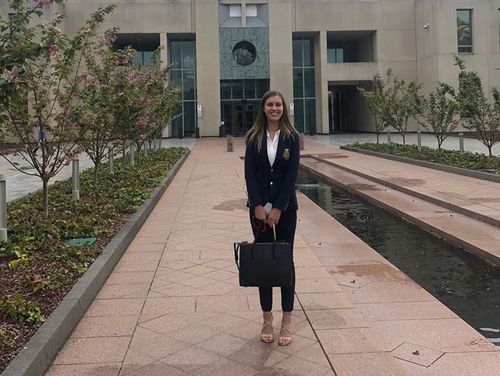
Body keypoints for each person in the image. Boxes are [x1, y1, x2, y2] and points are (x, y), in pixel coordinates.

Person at [244, 90, 300, 346]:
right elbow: (250, 175)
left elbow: (291, 177)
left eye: (278, 104)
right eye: (270, 104)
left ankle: (287, 319)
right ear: (263, 108)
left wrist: (278, 207)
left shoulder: (292, 138)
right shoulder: (254, 137)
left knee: (285, 260)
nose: (274, 108)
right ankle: (267, 317)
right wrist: (257, 205)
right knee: (264, 261)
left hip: (285, 210)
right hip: (258, 211)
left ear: (283, 108)